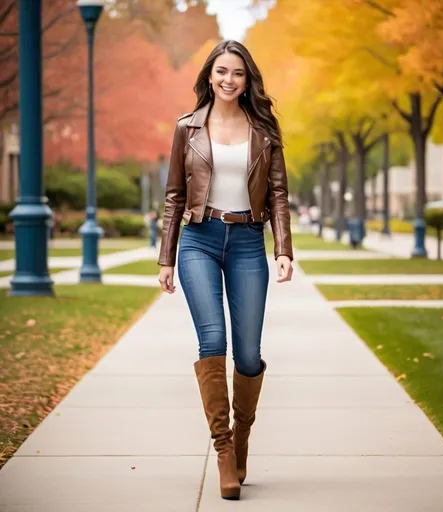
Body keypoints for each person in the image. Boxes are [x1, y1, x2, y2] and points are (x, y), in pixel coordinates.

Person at [157, 40, 293, 501]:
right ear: (209, 76)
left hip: (248, 243)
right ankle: (223, 453)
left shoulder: (265, 130)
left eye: (237, 73)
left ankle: (242, 439)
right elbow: (175, 196)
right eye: (221, 72)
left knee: (249, 354)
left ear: (247, 79)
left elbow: (278, 193)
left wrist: (284, 249)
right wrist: (166, 257)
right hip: (199, 238)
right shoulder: (187, 128)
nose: (229, 80)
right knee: (212, 341)